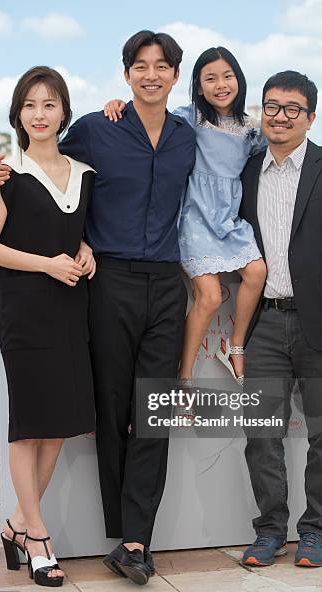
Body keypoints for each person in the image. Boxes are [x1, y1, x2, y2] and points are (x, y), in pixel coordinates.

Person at [0, 31, 196, 586]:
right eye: (140, 66)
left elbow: (68, 195)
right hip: (106, 285)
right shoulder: (98, 130)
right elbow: (39, 174)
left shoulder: (187, 136)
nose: (151, 74)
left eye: (162, 66)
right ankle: (91, 533)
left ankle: (135, 540)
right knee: (107, 409)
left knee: (155, 409)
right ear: (126, 74)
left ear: (175, 74)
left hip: (167, 281)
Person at [238, 71, 322, 568]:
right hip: (265, 324)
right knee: (260, 435)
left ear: (310, 117)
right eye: (272, 106)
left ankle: (315, 532)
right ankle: (270, 530)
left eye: (292, 108)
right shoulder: (248, 170)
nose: (280, 116)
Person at [0, 66, 97, 588]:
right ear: (17, 114)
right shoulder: (8, 175)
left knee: (59, 424)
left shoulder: (84, 173)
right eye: (30, 105)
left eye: (49, 104)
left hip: (72, 307)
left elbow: (78, 231)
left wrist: (85, 251)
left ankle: (17, 524)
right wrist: (48, 263)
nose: (40, 114)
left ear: (64, 112)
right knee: (28, 427)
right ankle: (39, 537)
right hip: (25, 310)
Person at [104, 47, 267, 391]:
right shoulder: (189, 117)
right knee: (207, 297)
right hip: (194, 217)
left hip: (228, 218)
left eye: (227, 76)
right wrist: (116, 104)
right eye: (210, 78)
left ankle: (235, 346)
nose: (220, 85)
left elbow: (282, 143)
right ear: (197, 85)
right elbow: (147, 112)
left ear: (239, 79)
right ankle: (185, 375)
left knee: (257, 271)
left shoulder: (252, 130)